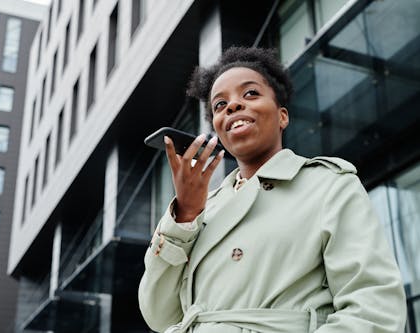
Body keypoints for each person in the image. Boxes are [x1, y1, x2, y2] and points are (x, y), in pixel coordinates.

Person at [138, 46, 406, 333]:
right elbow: (159, 315)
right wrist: (185, 215)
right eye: (219, 104)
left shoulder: (328, 184)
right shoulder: (203, 210)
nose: (232, 106)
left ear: (282, 116)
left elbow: (373, 308)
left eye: (250, 93)